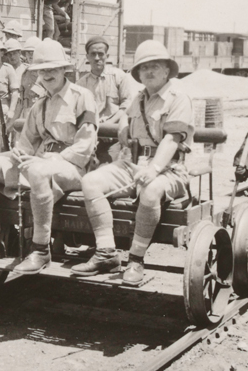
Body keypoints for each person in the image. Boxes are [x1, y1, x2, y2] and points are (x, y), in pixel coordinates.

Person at [0, 39, 98, 274]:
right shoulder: (39, 105)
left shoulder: (82, 97)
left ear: (64, 70)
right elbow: (27, 142)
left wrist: (48, 161)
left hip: (72, 168)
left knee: (38, 170)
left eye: (53, 69)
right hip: (40, 164)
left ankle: (40, 250)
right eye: (42, 70)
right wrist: (19, 152)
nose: (47, 74)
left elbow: (85, 147)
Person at [71, 40, 194, 285]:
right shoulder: (138, 99)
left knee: (150, 191)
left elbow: (171, 139)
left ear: (167, 70)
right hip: (135, 164)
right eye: (143, 67)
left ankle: (136, 259)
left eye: (155, 66)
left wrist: (154, 169)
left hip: (170, 169)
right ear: (137, 73)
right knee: (91, 181)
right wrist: (125, 123)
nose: (148, 71)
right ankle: (106, 253)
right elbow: (126, 122)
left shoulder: (178, 97)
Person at [77, 36, 138, 164]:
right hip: (90, 136)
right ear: (87, 57)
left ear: (107, 56)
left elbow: (127, 106)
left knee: (109, 169)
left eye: (101, 54)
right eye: (93, 54)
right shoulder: (80, 84)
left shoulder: (119, 76)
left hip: (113, 136)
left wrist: (110, 122)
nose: (97, 58)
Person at [14, 36, 46, 121]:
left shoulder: (45, 73)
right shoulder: (25, 73)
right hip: (27, 114)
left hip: (41, 114)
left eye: (33, 52)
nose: (30, 55)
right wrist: (11, 123)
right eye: (28, 52)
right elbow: (20, 102)